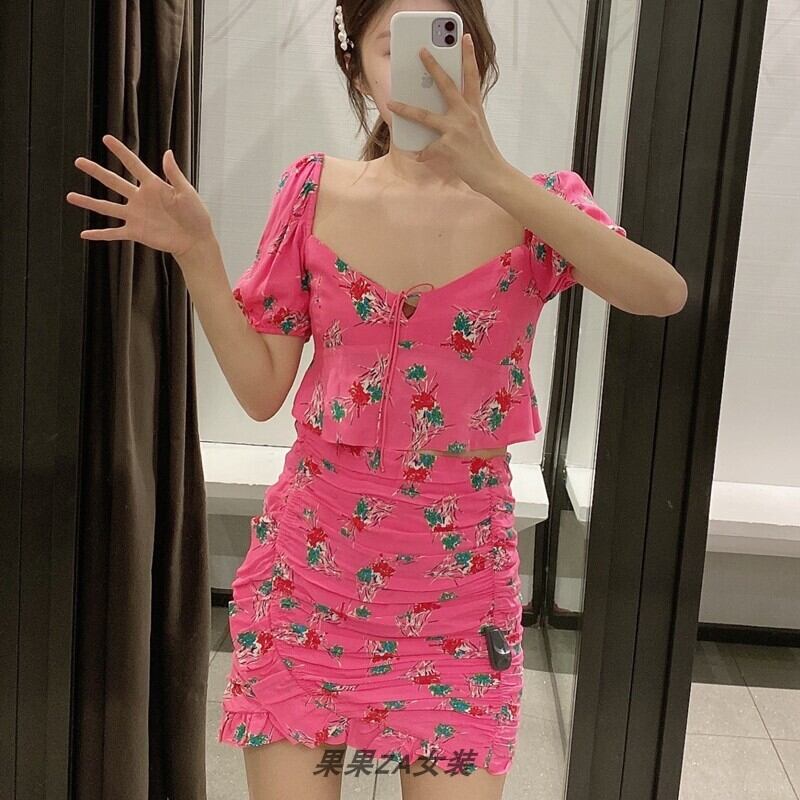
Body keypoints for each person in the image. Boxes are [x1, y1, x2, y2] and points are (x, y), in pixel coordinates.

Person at [66, 3, 686, 798]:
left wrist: (494, 175)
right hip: (310, 584)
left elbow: (660, 293)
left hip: (461, 602)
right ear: (357, 70)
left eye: (446, 40)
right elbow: (260, 391)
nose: (424, 66)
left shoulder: (542, 207)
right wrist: (197, 252)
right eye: (395, 47)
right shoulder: (312, 191)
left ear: (478, 57)